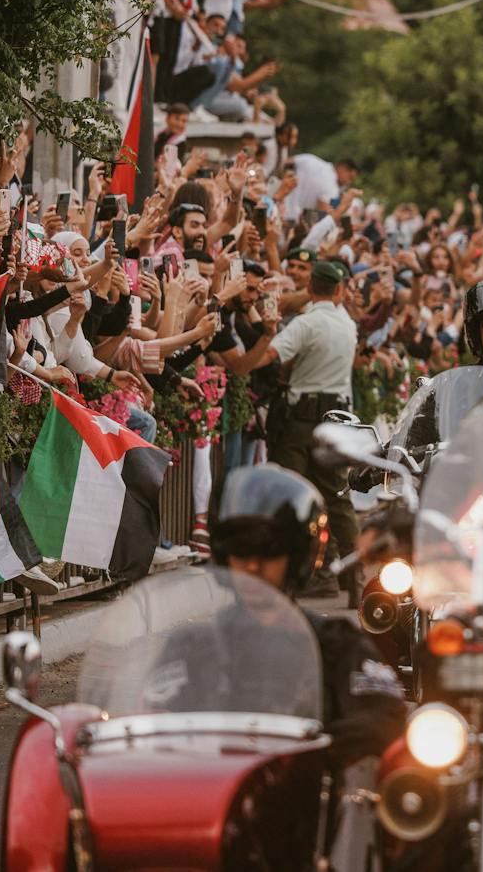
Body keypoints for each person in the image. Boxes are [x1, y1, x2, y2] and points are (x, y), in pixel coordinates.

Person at [208, 465, 404, 768]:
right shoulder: (198, 644)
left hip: (306, 797)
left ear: (298, 556)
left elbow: (384, 715)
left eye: (269, 553)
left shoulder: (336, 644)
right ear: (223, 555)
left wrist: (316, 751)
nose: (252, 568)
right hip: (211, 799)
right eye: (241, 552)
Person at [240, 260, 361, 602]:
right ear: (339, 290)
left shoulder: (306, 324)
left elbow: (270, 356)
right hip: (336, 419)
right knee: (338, 501)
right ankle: (356, 582)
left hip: (301, 421)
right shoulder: (347, 324)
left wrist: (246, 359)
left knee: (290, 496)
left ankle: (287, 580)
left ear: (310, 288)